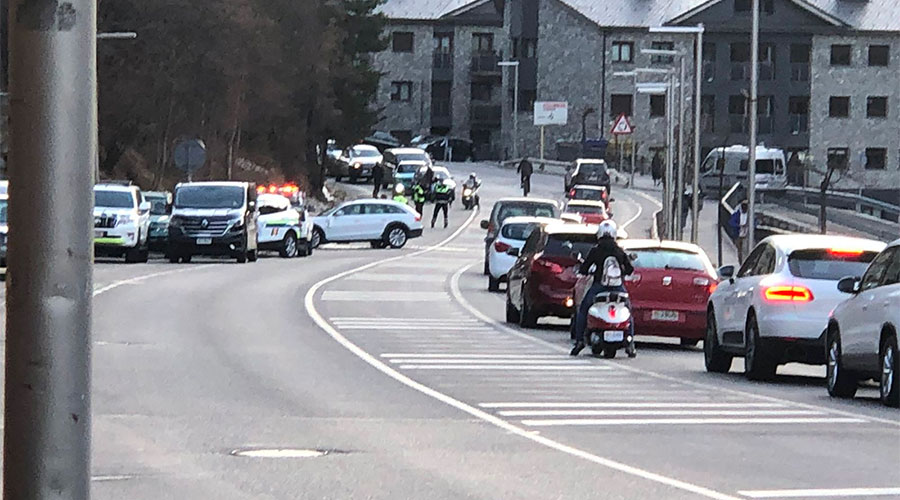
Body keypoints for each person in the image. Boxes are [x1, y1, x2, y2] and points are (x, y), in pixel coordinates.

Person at [571, 220, 636, 357]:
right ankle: (630, 344)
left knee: (583, 309)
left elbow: (584, 268)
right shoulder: (619, 250)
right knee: (628, 310)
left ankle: (579, 341)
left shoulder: (596, 250)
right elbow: (630, 269)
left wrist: (586, 270)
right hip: (618, 288)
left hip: (599, 287)